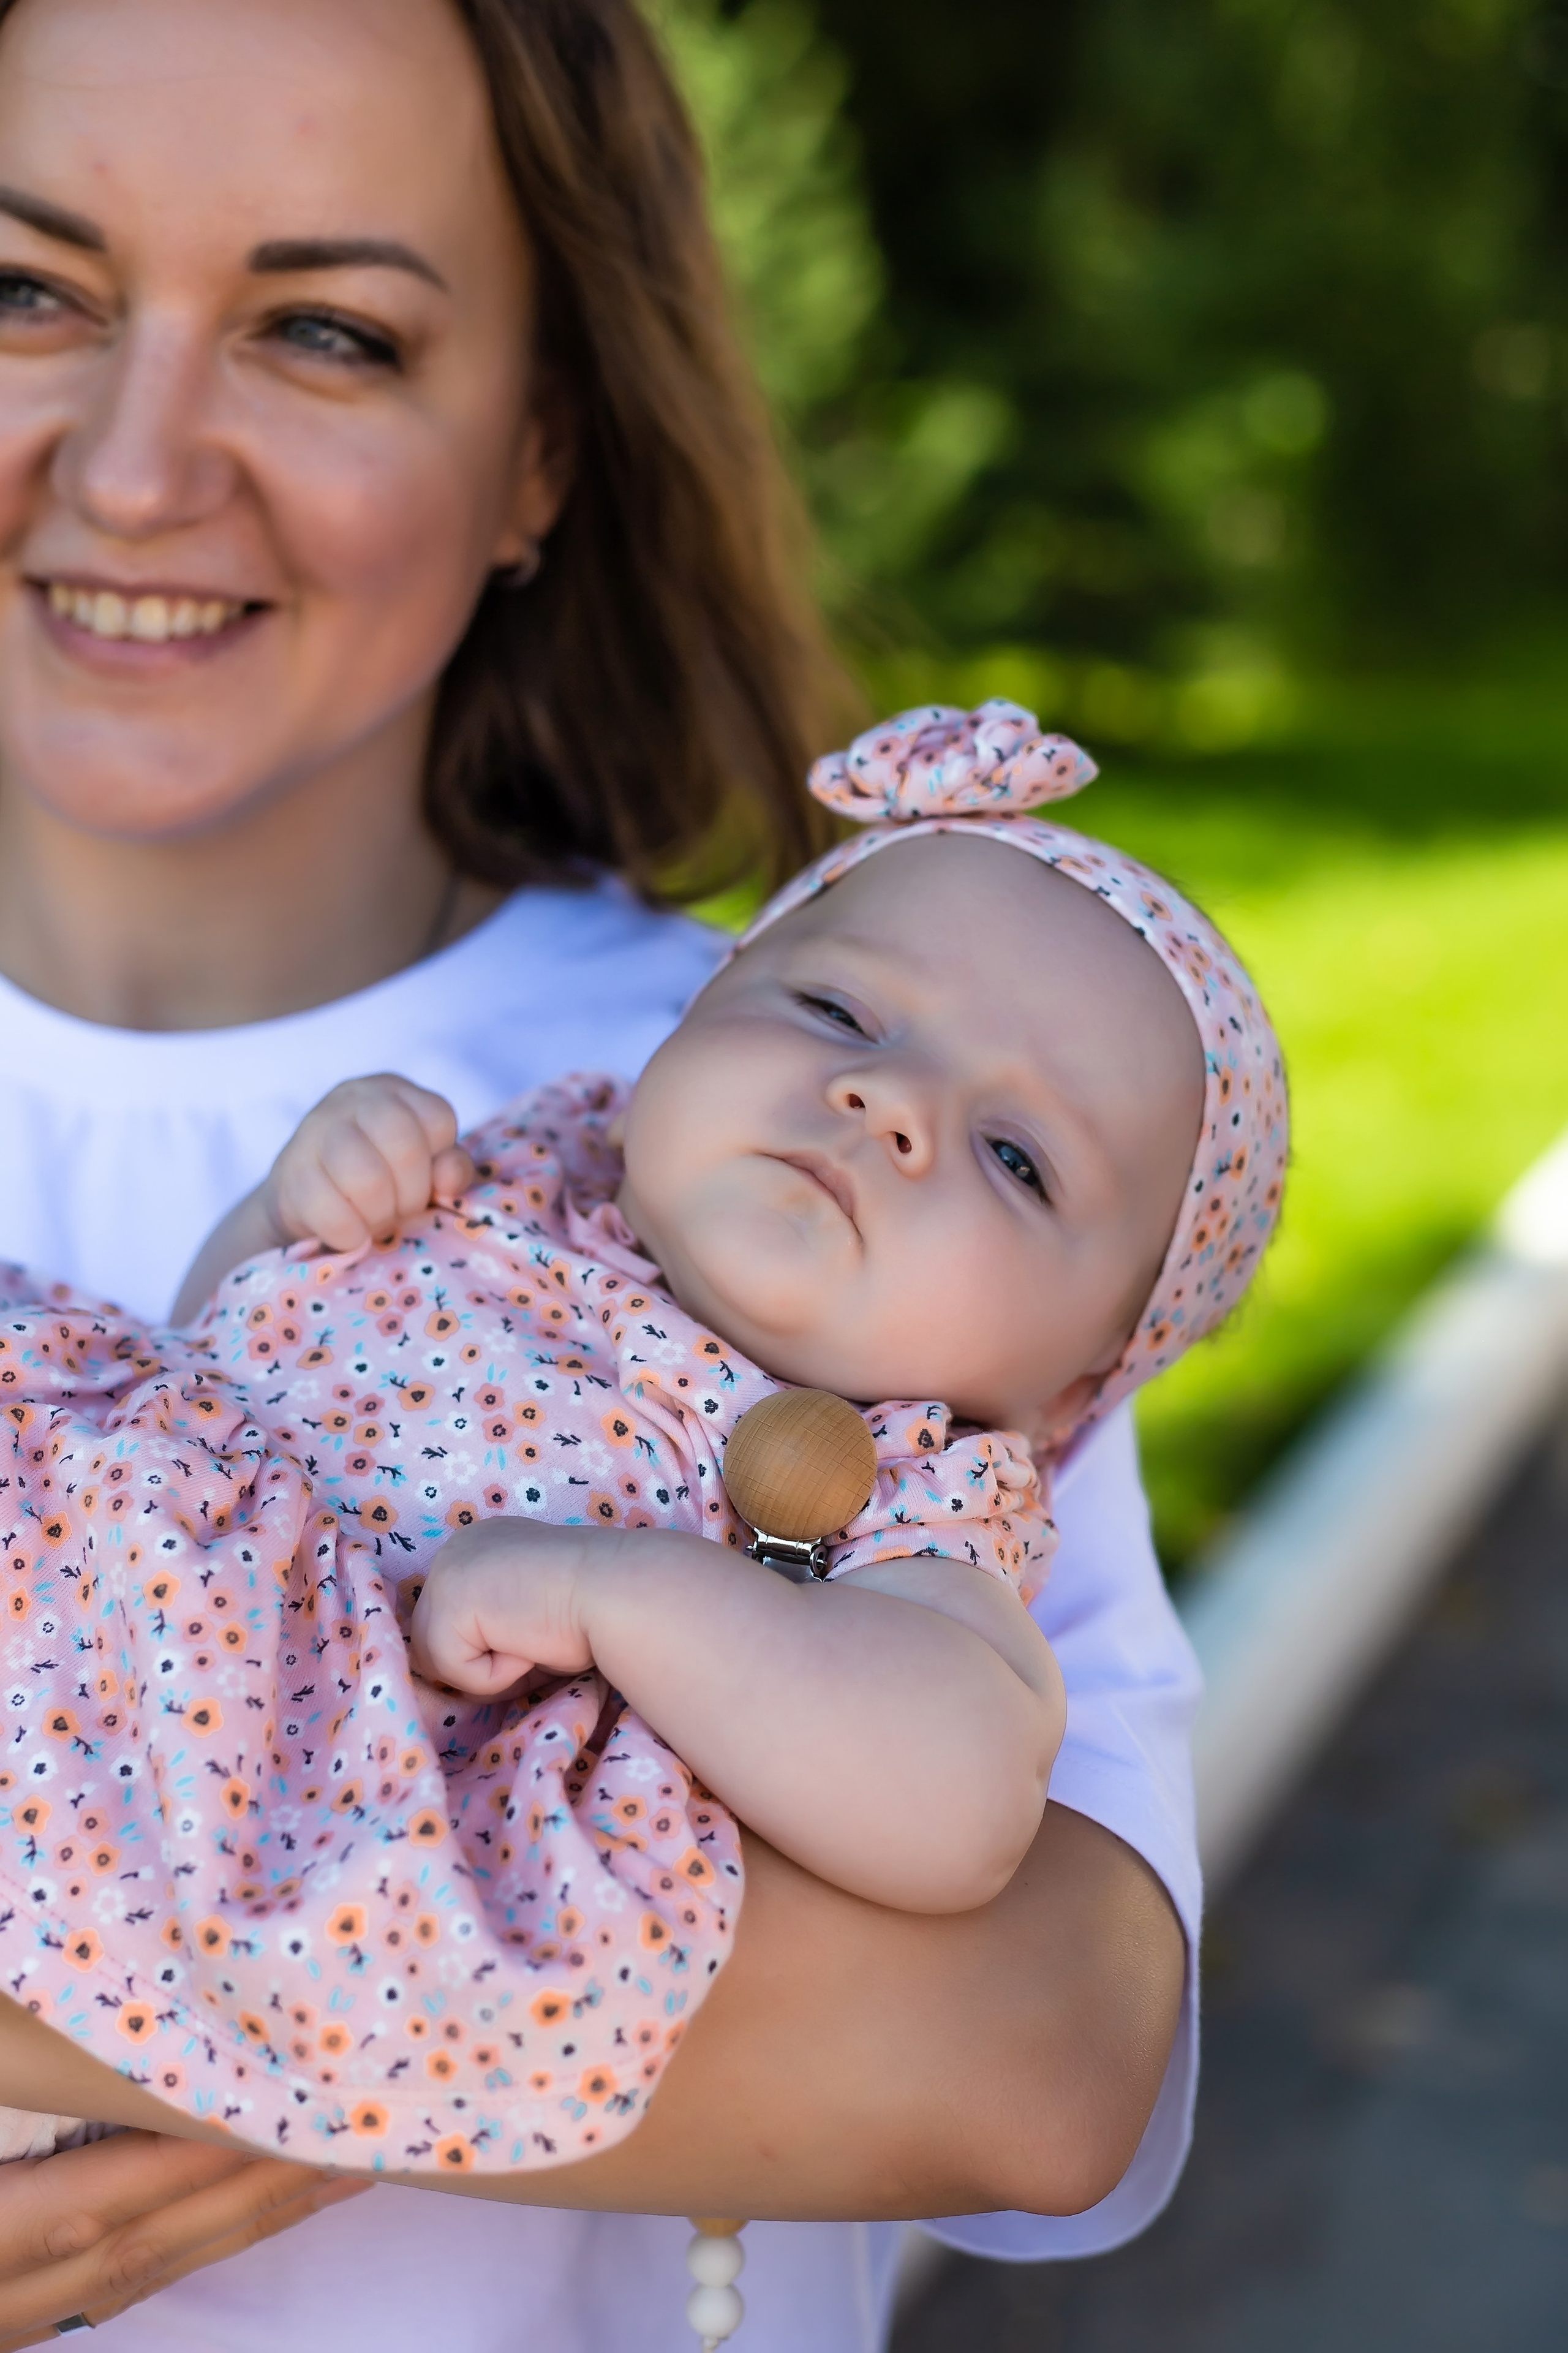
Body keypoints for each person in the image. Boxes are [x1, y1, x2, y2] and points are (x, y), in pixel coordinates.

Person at [0, 1, 1197, 2346]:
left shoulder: (820, 1145)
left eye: (325, 330)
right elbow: (869, 2028)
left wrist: (208, 2016)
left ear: (543, 450)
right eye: (25, 288)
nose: (139, 471)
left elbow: (1035, 2048)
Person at [0, 710, 1287, 2186]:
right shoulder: (512, 1171)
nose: (890, 1105)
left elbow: (957, 1805)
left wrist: (620, 1597)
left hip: (248, 1792)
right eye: (839, 1016)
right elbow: (203, 1375)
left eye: (1015, 1157)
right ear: (692, 1014)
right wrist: (300, 1211)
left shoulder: (898, 1487)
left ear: (1071, 1390)